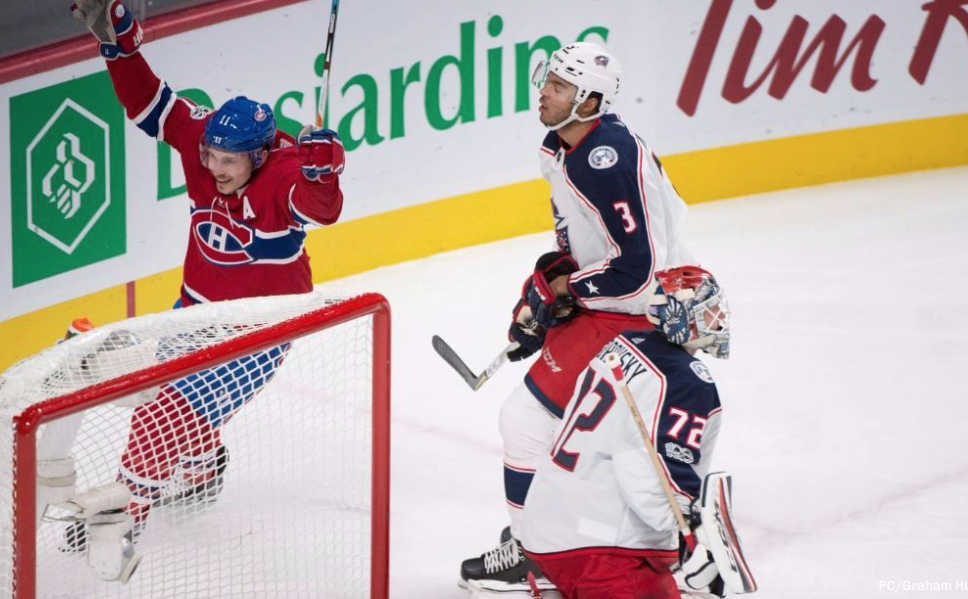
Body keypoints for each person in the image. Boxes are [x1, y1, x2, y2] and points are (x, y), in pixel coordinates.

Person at [59, 0, 345, 554]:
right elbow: (150, 104)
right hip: (194, 313)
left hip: (257, 334)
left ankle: (125, 514)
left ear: (261, 156)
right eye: (211, 155)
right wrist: (118, 45)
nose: (215, 168)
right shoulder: (207, 144)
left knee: (161, 412)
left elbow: (320, 209)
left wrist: (321, 171)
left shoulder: (284, 172)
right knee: (157, 397)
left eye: (229, 162)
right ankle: (203, 462)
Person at [459, 42, 697, 592]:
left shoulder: (605, 158)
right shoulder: (564, 145)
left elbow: (637, 272)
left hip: (641, 315)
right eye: (547, 79)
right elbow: (590, 245)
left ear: (589, 101)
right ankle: (552, 543)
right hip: (613, 305)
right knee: (563, 438)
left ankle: (538, 555)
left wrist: (567, 289)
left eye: (560, 86)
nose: (543, 90)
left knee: (530, 425)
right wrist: (548, 286)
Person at [514, 266, 731, 599]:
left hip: (546, 527)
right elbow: (643, 467)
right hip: (600, 549)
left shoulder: (626, 343)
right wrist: (691, 537)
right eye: (707, 306)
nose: (718, 315)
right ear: (680, 317)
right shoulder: (686, 380)